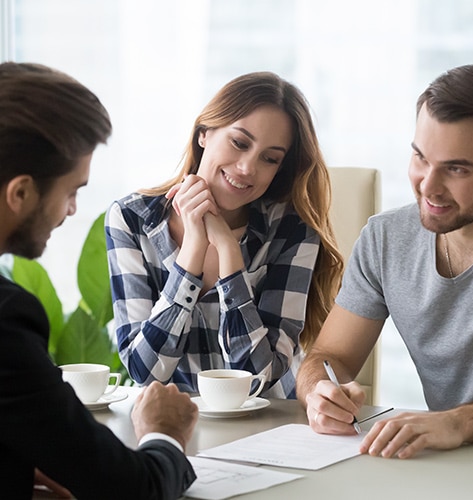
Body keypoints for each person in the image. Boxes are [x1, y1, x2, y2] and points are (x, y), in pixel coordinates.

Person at [296, 64, 473, 459]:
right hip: (447, 465)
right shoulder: (385, 239)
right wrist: (320, 392)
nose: (428, 185)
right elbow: (328, 357)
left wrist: (460, 422)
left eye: (456, 168)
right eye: (421, 157)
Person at [0, 61, 198, 499]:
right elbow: (133, 490)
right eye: (72, 192)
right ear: (21, 193)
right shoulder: (7, 317)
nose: (70, 211)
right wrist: (163, 433)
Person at [105, 71, 343, 399]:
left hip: (272, 427)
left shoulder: (291, 230)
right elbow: (146, 370)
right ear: (204, 133)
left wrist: (230, 257)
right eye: (239, 143)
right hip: (180, 425)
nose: (247, 168)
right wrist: (192, 250)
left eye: (270, 158)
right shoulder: (132, 220)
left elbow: (257, 380)